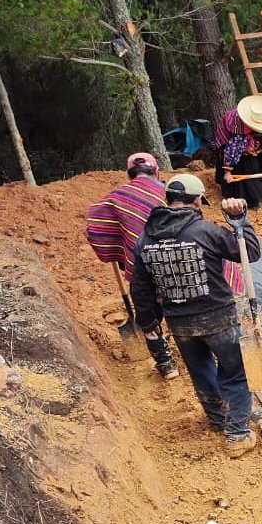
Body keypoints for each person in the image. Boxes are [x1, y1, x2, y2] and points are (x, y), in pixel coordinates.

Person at [130, 174, 259, 459]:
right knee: (236, 374)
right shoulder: (205, 231)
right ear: (197, 200)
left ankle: (218, 418)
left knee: (201, 371)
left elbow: (140, 288)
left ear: (168, 200)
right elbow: (249, 253)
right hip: (218, 317)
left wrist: (150, 323)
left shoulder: (145, 240)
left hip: (179, 322)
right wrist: (240, 222)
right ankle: (237, 433)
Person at [85, 152, 179, 379]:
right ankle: (194, 348)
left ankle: (165, 363)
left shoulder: (116, 197)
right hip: (175, 263)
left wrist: (116, 250)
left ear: (129, 175)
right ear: (157, 171)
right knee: (179, 305)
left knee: (147, 312)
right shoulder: (170, 192)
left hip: (140, 266)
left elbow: (95, 228)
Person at [214, 95, 262, 209]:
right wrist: (227, 172)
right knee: (246, 165)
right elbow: (232, 150)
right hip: (231, 144)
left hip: (248, 141)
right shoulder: (238, 127)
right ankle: (252, 200)